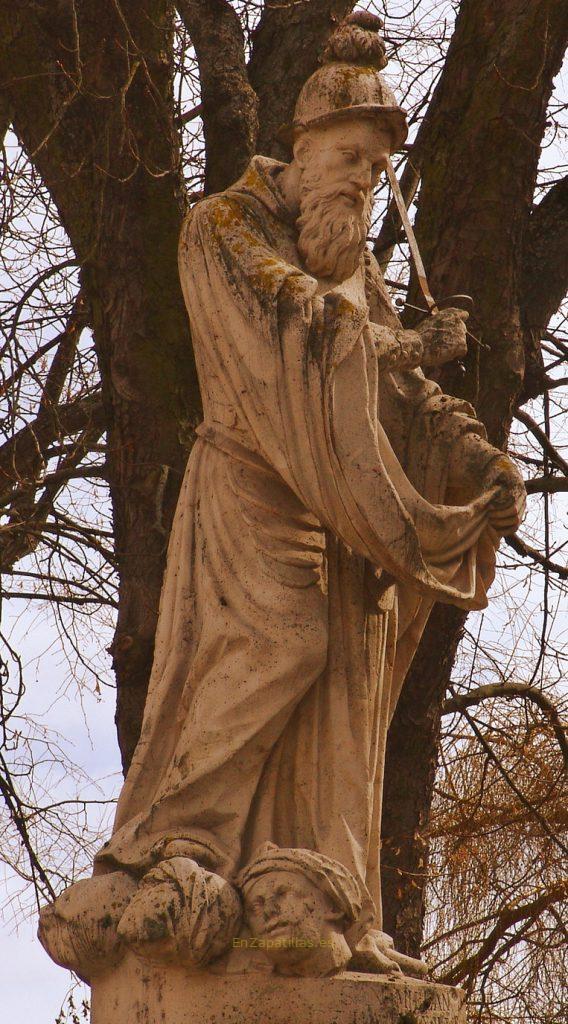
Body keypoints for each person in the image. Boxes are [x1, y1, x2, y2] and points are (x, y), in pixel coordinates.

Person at [93, 11, 525, 974]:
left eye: (378, 169)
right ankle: (178, 843)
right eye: (353, 156)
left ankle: (328, 894)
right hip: (253, 489)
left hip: (345, 513)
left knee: (349, 686)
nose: (365, 181)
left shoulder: (355, 270)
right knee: (282, 643)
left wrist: (472, 458)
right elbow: (292, 328)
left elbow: (404, 394)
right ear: (306, 143)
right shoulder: (223, 227)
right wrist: (394, 342)